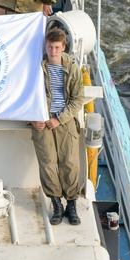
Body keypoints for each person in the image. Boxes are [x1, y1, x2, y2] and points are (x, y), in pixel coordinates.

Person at [30, 27, 85, 226]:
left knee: (70, 163)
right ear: (45, 46)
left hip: (65, 122)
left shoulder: (73, 70)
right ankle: (56, 204)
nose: (53, 51)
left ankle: (71, 203)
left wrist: (60, 119)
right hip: (41, 122)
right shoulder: (36, 69)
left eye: (57, 47)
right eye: (50, 47)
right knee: (47, 164)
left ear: (63, 47)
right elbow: (27, 97)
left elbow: (78, 99)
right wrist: (33, 118)